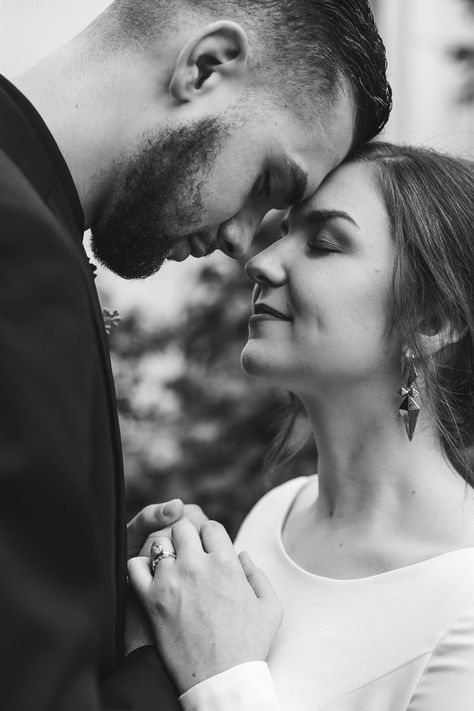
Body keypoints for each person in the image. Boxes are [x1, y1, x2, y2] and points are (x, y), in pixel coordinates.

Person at [0, 0, 391, 709]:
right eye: (269, 184)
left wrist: (78, 579)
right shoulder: (20, 255)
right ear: (204, 66)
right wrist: (183, 665)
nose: (247, 244)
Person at [128, 142, 474, 710]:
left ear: (431, 321)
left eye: (323, 243)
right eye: (283, 231)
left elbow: (215, 681)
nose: (260, 261)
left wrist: (222, 680)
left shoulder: (464, 602)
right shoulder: (276, 514)